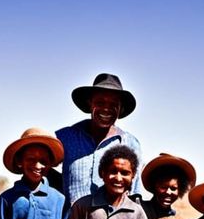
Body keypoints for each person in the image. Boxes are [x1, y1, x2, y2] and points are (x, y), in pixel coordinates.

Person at [55, 72, 143, 207]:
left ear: (120, 109)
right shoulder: (66, 137)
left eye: (113, 104)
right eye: (100, 102)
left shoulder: (131, 144)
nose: (106, 108)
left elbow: (133, 195)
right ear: (90, 104)